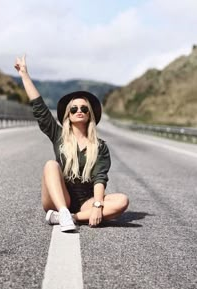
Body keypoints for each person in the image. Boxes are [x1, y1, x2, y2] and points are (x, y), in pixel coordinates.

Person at [14, 55, 129, 232]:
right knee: (51, 165)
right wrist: (24, 75)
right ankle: (63, 211)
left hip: (86, 201)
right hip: (60, 196)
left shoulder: (100, 146)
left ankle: (69, 217)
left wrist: (97, 205)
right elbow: (40, 108)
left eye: (84, 108)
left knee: (122, 201)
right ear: (68, 114)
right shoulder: (58, 134)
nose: (79, 111)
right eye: (74, 109)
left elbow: (100, 178)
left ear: (90, 114)